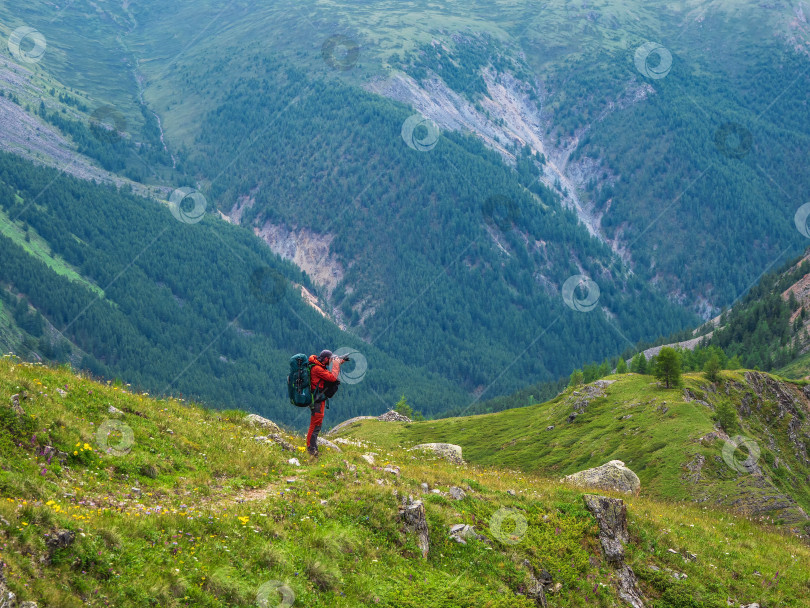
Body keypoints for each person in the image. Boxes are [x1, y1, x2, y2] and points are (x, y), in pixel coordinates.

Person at [306, 349, 347, 457]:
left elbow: (328, 374)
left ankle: (313, 449)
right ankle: (311, 450)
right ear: (325, 359)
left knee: (317, 424)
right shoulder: (317, 369)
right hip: (317, 400)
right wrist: (336, 364)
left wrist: (340, 361)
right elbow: (332, 378)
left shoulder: (319, 366)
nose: (330, 362)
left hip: (319, 399)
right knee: (315, 424)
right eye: (330, 360)